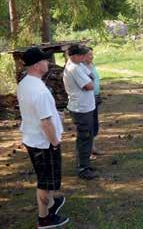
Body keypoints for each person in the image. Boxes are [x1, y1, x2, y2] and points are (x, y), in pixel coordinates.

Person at [17, 47, 69, 228]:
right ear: (38, 65)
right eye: (46, 61)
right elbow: (45, 123)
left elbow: (39, 112)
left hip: (32, 138)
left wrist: (56, 116)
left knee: (44, 178)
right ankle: (44, 218)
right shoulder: (39, 90)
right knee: (46, 183)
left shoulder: (24, 83)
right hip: (44, 143)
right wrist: (55, 142)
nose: (48, 63)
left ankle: (52, 205)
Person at [63, 45, 98, 180]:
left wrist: (91, 80)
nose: (84, 58)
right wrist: (91, 81)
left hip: (86, 107)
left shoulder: (79, 65)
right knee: (84, 137)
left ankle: (85, 164)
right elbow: (89, 85)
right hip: (81, 108)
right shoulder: (74, 68)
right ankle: (83, 169)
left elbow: (92, 75)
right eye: (82, 55)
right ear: (74, 56)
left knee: (87, 137)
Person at [83, 47, 104, 159]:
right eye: (89, 55)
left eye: (92, 54)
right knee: (89, 124)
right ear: (83, 56)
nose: (92, 56)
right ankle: (88, 151)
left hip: (95, 97)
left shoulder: (92, 65)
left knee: (95, 123)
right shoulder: (82, 68)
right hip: (88, 99)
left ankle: (93, 147)